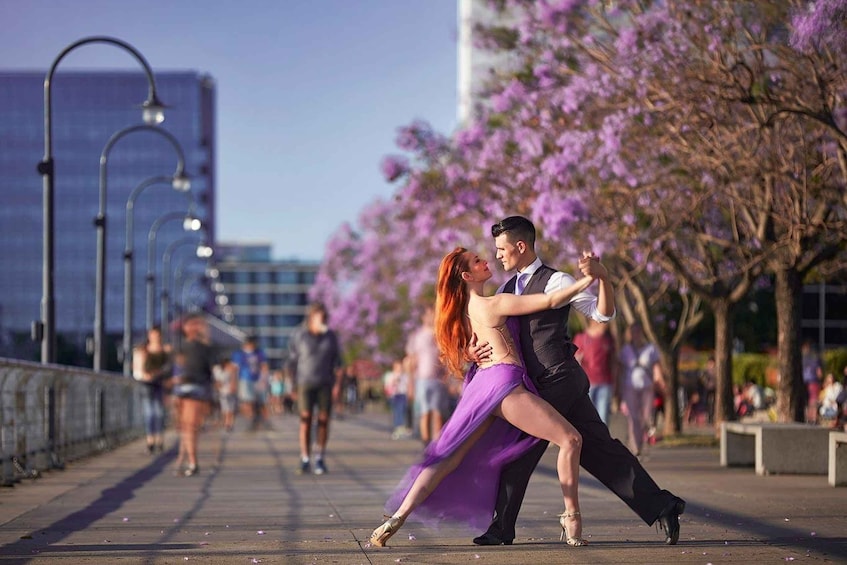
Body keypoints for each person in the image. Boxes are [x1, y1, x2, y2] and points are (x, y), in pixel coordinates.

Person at [471, 216, 685, 547]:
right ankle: (663, 506)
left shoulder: (557, 280)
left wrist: (604, 281)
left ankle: (501, 529)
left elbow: (602, 315)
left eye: (501, 249)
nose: (497, 255)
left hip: (560, 378)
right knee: (599, 451)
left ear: (521, 246)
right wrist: (474, 351)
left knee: (520, 448)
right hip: (536, 385)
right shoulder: (505, 289)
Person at [371, 247, 594, 548]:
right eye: (477, 262)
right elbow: (553, 299)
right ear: (466, 275)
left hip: (482, 385)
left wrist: (468, 353)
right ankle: (572, 519)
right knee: (570, 439)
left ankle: (397, 517)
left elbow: (466, 346)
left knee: (448, 456)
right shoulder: (494, 304)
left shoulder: (462, 311)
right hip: (503, 384)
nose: (486, 261)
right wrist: (587, 279)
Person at [287, 302, 343, 475]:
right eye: (320, 316)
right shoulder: (299, 335)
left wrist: (338, 386)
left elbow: (338, 364)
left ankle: (319, 457)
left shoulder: (331, 337)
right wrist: (292, 386)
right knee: (305, 419)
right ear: (311, 317)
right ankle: (305, 458)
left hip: (325, 383)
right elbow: (291, 362)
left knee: (324, 420)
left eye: (325, 316)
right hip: (304, 383)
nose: (324, 319)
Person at [172, 313, 216, 477]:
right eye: (190, 324)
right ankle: (184, 458)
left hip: (196, 388)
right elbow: (174, 368)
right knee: (184, 426)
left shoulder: (204, 348)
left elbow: (209, 372)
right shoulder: (181, 347)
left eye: (196, 324)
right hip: (180, 389)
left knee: (190, 426)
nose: (193, 327)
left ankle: (192, 462)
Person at [406, 306, 449, 445]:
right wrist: (410, 383)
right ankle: (425, 444)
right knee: (425, 413)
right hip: (422, 379)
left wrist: (447, 376)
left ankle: (437, 445)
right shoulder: (417, 337)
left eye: (434, 314)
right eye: (429, 314)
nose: (432, 317)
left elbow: (445, 358)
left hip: (437, 380)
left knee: (438, 413)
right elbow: (411, 361)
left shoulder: (440, 335)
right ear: (423, 317)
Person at [619, 322, 663, 455]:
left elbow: (656, 367)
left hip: (647, 386)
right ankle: (635, 446)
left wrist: (659, 380)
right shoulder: (626, 350)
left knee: (645, 417)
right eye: (633, 332)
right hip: (630, 386)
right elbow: (620, 369)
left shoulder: (651, 348)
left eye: (638, 332)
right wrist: (618, 389)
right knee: (633, 417)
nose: (636, 335)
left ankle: (640, 441)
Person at [132, 326, 171, 454]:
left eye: (157, 335)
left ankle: (159, 440)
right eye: (152, 335)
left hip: (160, 384)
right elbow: (137, 369)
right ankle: (150, 441)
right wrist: (144, 374)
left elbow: (169, 369)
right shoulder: (143, 350)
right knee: (149, 413)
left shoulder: (165, 351)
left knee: (159, 413)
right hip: (146, 384)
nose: (155, 337)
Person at [573, 317, 617, 425]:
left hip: (605, 382)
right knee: (587, 418)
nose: (606, 325)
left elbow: (613, 363)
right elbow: (574, 360)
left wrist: (616, 383)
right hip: (587, 384)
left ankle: (602, 441)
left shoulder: (608, 339)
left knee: (603, 418)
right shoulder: (581, 338)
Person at [232, 336, 270, 431]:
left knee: (262, 402)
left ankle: (265, 421)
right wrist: (233, 382)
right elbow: (234, 369)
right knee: (247, 401)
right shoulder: (239, 354)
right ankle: (251, 421)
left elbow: (264, 366)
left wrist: (264, 379)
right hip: (245, 380)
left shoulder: (259, 353)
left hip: (258, 380)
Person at [384, 357, 412, 439]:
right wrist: (394, 380)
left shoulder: (405, 376)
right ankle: (398, 427)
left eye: (401, 367)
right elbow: (388, 386)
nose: (400, 369)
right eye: (398, 367)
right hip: (395, 395)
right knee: (397, 411)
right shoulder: (390, 375)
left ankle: (402, 427)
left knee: (403, 410)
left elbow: (407, 385)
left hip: (403, 394)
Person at [213, 357, 238, 432]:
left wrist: (233, 385)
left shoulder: (233, 369)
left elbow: (234, 380)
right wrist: (217, 385)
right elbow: (216, 381)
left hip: (230, 391)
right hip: (221, 392)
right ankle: (226, 423)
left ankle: (229, 424)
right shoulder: (217, 370)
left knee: (231, 408)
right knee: (225, 408)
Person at [801, 340, 823, 424]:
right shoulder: (815, 357)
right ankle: (812, 418)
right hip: (813, 381)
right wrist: (821, 381)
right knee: (813, 400)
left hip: (804, 381)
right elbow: (819, 371)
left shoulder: (803, 358)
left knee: (807, 401)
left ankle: (808, 417)